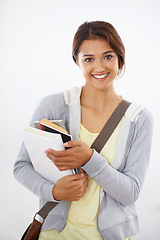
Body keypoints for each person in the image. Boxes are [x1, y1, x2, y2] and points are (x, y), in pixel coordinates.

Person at [14, 21, 153, 240]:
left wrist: (90, 158)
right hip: (54, 235)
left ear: (120, 58)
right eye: (89, 59)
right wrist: (53, 192)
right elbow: (21, 166)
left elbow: (131, 193)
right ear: (77, 61)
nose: (99, 67)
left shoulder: (139, 119)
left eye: (108, 56)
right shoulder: (52, 106)